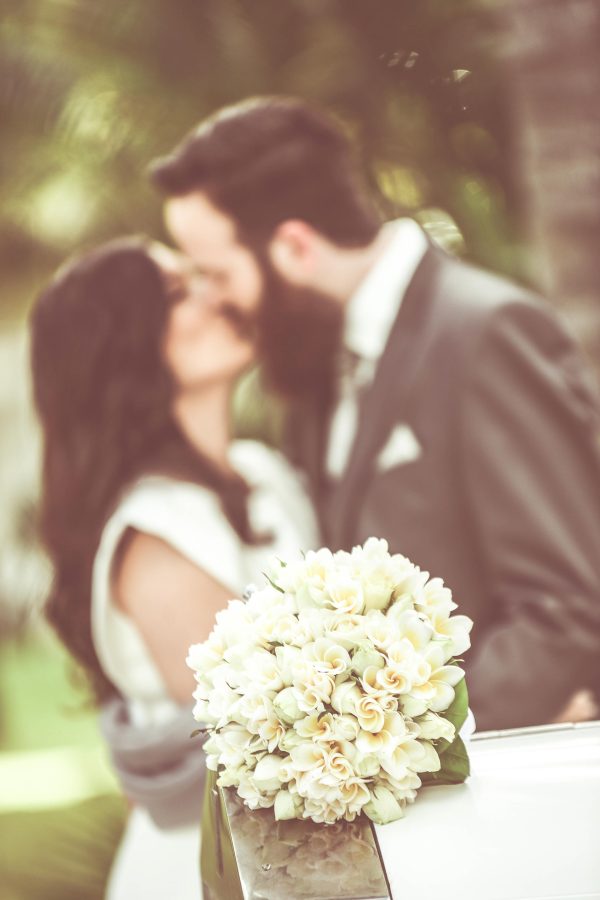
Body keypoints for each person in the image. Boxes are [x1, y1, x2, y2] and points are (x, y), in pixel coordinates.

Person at [150, 96, 600, 731]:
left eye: (217, 273)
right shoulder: (311, 369)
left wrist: (402, 744)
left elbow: (566, 606)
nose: (216, 300)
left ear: (296, 247)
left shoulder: (485, 332)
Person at [29, 236, 318, 900]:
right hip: (217, 872)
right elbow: (278, 738)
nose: (218, 294)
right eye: (177, 292)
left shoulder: (263, 473)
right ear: (122, 347)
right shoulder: (155, 536)